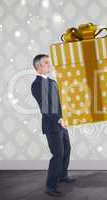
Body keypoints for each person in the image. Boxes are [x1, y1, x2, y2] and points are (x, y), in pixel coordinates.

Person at [31, 54, 75, 197]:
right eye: (46, 63)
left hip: (62, 123)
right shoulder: (36, 85)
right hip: (52, 125)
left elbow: (59, 104)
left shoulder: (53, 82)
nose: (50, 65)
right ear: (38, 67)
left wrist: (65, 118)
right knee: (57, 154)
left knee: (67, 148)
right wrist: (58, 120)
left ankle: (63, 175)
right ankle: (50, 186)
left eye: (49, 63)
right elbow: (46, 107)